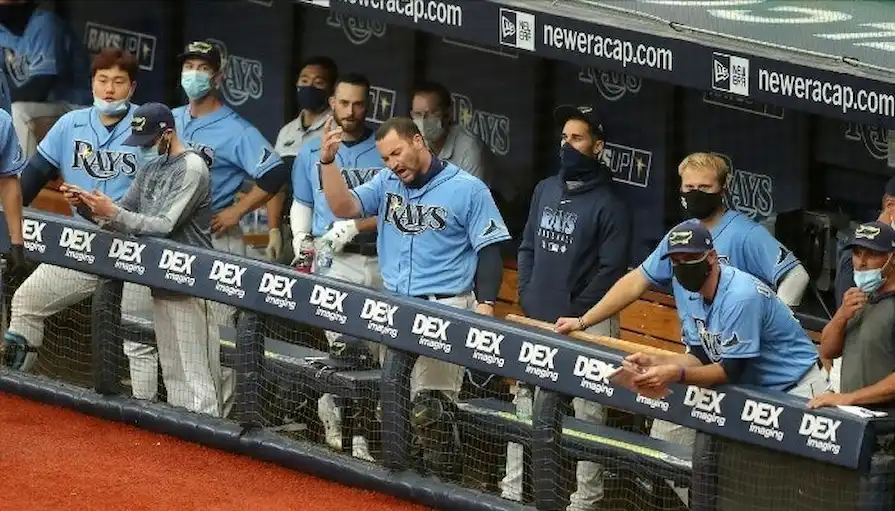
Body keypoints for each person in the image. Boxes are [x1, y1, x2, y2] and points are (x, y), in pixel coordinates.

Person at [554, 151, 810, 501]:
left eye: (704, 186)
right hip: (720, 368)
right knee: (670, 447)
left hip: (781, 384)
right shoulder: (680, 238)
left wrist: (771, 315)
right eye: (688, 187)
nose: (695, 194)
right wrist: (584, 320)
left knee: (785, 489)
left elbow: (795, 275)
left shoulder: (744, 242)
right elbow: (636, 281)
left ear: (723, 188)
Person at [319, 116, 510, 480]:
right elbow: (343, 208)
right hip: (394, 305)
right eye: (386, 158)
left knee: (431, 412)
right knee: (387, 405)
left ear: (418, 141)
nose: (393, 164)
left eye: (397, 153)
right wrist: (328, 163)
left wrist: (483, 311)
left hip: (444, 305)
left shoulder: (468, 189)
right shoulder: (388, 181)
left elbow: (489, 252)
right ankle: (402, 487)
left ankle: (443, 490)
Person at [123, 40, 290, 411]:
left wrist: (238, 210)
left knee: (214, 342)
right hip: (166, 239)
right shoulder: (172, 117)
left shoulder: (236, 129)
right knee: (166, 339)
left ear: (218, 75)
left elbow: (276, 171)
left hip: (213, 241)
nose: (193, 74)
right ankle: (176, 416)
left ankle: (219, 426)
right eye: (189, 66)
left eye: (202, 67)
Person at [499, 105, 632, 510]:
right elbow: (527, 247)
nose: (568, 145)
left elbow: (611, 271)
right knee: (524, 405)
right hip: (540, 317)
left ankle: (586, 498)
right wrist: (529, 291)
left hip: (588, 324)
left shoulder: (611, 204)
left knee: (589, 412)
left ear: (598, 146)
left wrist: (578, 312)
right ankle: (512, 488)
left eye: (577, 138)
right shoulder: (545, 189)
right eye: (564, 137)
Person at [60, 102, 222, 417]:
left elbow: (164, 225)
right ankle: (185, 448)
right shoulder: (150, 168)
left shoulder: (193, 167)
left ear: (168, 133)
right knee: (174, 372)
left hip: (192, 282)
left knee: (198, 377)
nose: (144, 147)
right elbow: (121, 218)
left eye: (149, 140)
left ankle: (212, 451)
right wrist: (86, 207)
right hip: (159, 280)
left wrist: (114, 211)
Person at [1, 49, 146, 373]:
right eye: (103, 80)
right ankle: (14, 392)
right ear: (92, 82)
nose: (109, 89)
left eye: (119, 81)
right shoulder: (70, 124)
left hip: (136, 247)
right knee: (26, 301)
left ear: (132, 87)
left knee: (137, 339)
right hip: (84, 242)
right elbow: (30, 180)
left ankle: (142, 417)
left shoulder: (148, 128)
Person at [625, 221, 826, 398]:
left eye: (689, 258)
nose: (682, 266)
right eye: (676, 261)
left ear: (712, 257)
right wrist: (655, 361)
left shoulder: (740, 295)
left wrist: (676, 374)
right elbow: (700, 357)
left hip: (798, 388)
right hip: (759, 390)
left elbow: (730, 371)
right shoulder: (693, 291)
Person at [292, 72, 383, 461]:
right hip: (335, 261)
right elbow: (302, 202)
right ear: (332, 102)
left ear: (369, 105)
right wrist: (300, 240)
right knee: (343, 349)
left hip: (379, 259)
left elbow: (399, 207)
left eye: (358, 103)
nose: (351, 111)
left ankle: (365, 431)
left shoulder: (384, 149)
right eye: (344, 103)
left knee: (379, 352)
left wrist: (356, 225)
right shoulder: (311, 149)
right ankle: (340, 428)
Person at [810, 221, 895, 410]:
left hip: (886, 423)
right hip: (855, 416)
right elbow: (827, 351)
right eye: (857, 253)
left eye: (872, 254)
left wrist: (848, 398)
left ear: (892, 258)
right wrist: (841, 315)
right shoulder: (858, 297)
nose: (861, 263)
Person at [265, 56, 338, 264]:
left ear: (331, 91)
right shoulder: (287, 132)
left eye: (318, 82)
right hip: (288, 230)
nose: (309, 86)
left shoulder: (334, 131)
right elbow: (275, 184)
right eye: (304, 80)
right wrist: (273, 230)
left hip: (321, 233)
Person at [0, 0, 91, 157]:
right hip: (42, 108)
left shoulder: (45, 24)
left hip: (75, 108)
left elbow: (40, 88)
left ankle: (25, 178)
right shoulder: (3, 31)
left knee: (18, 112)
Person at [409, 81, 492, 185]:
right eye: (417, 114)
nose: (423, 120)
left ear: (448, 115)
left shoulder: (469, 149)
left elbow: (471, 198)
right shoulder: (415, 143)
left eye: (431, 113)